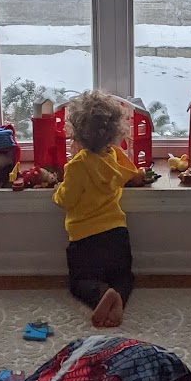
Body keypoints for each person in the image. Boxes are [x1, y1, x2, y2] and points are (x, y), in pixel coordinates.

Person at [53, 91, 145, 328]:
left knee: (80, 282)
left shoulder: (78, 165)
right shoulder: (114, 157)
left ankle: (101, 295)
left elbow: (66, 200)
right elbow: (130, 174)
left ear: (76, 135)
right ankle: (118, 297)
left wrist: (57, 191)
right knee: (124, 277)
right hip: (117, 234)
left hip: (85, 240)